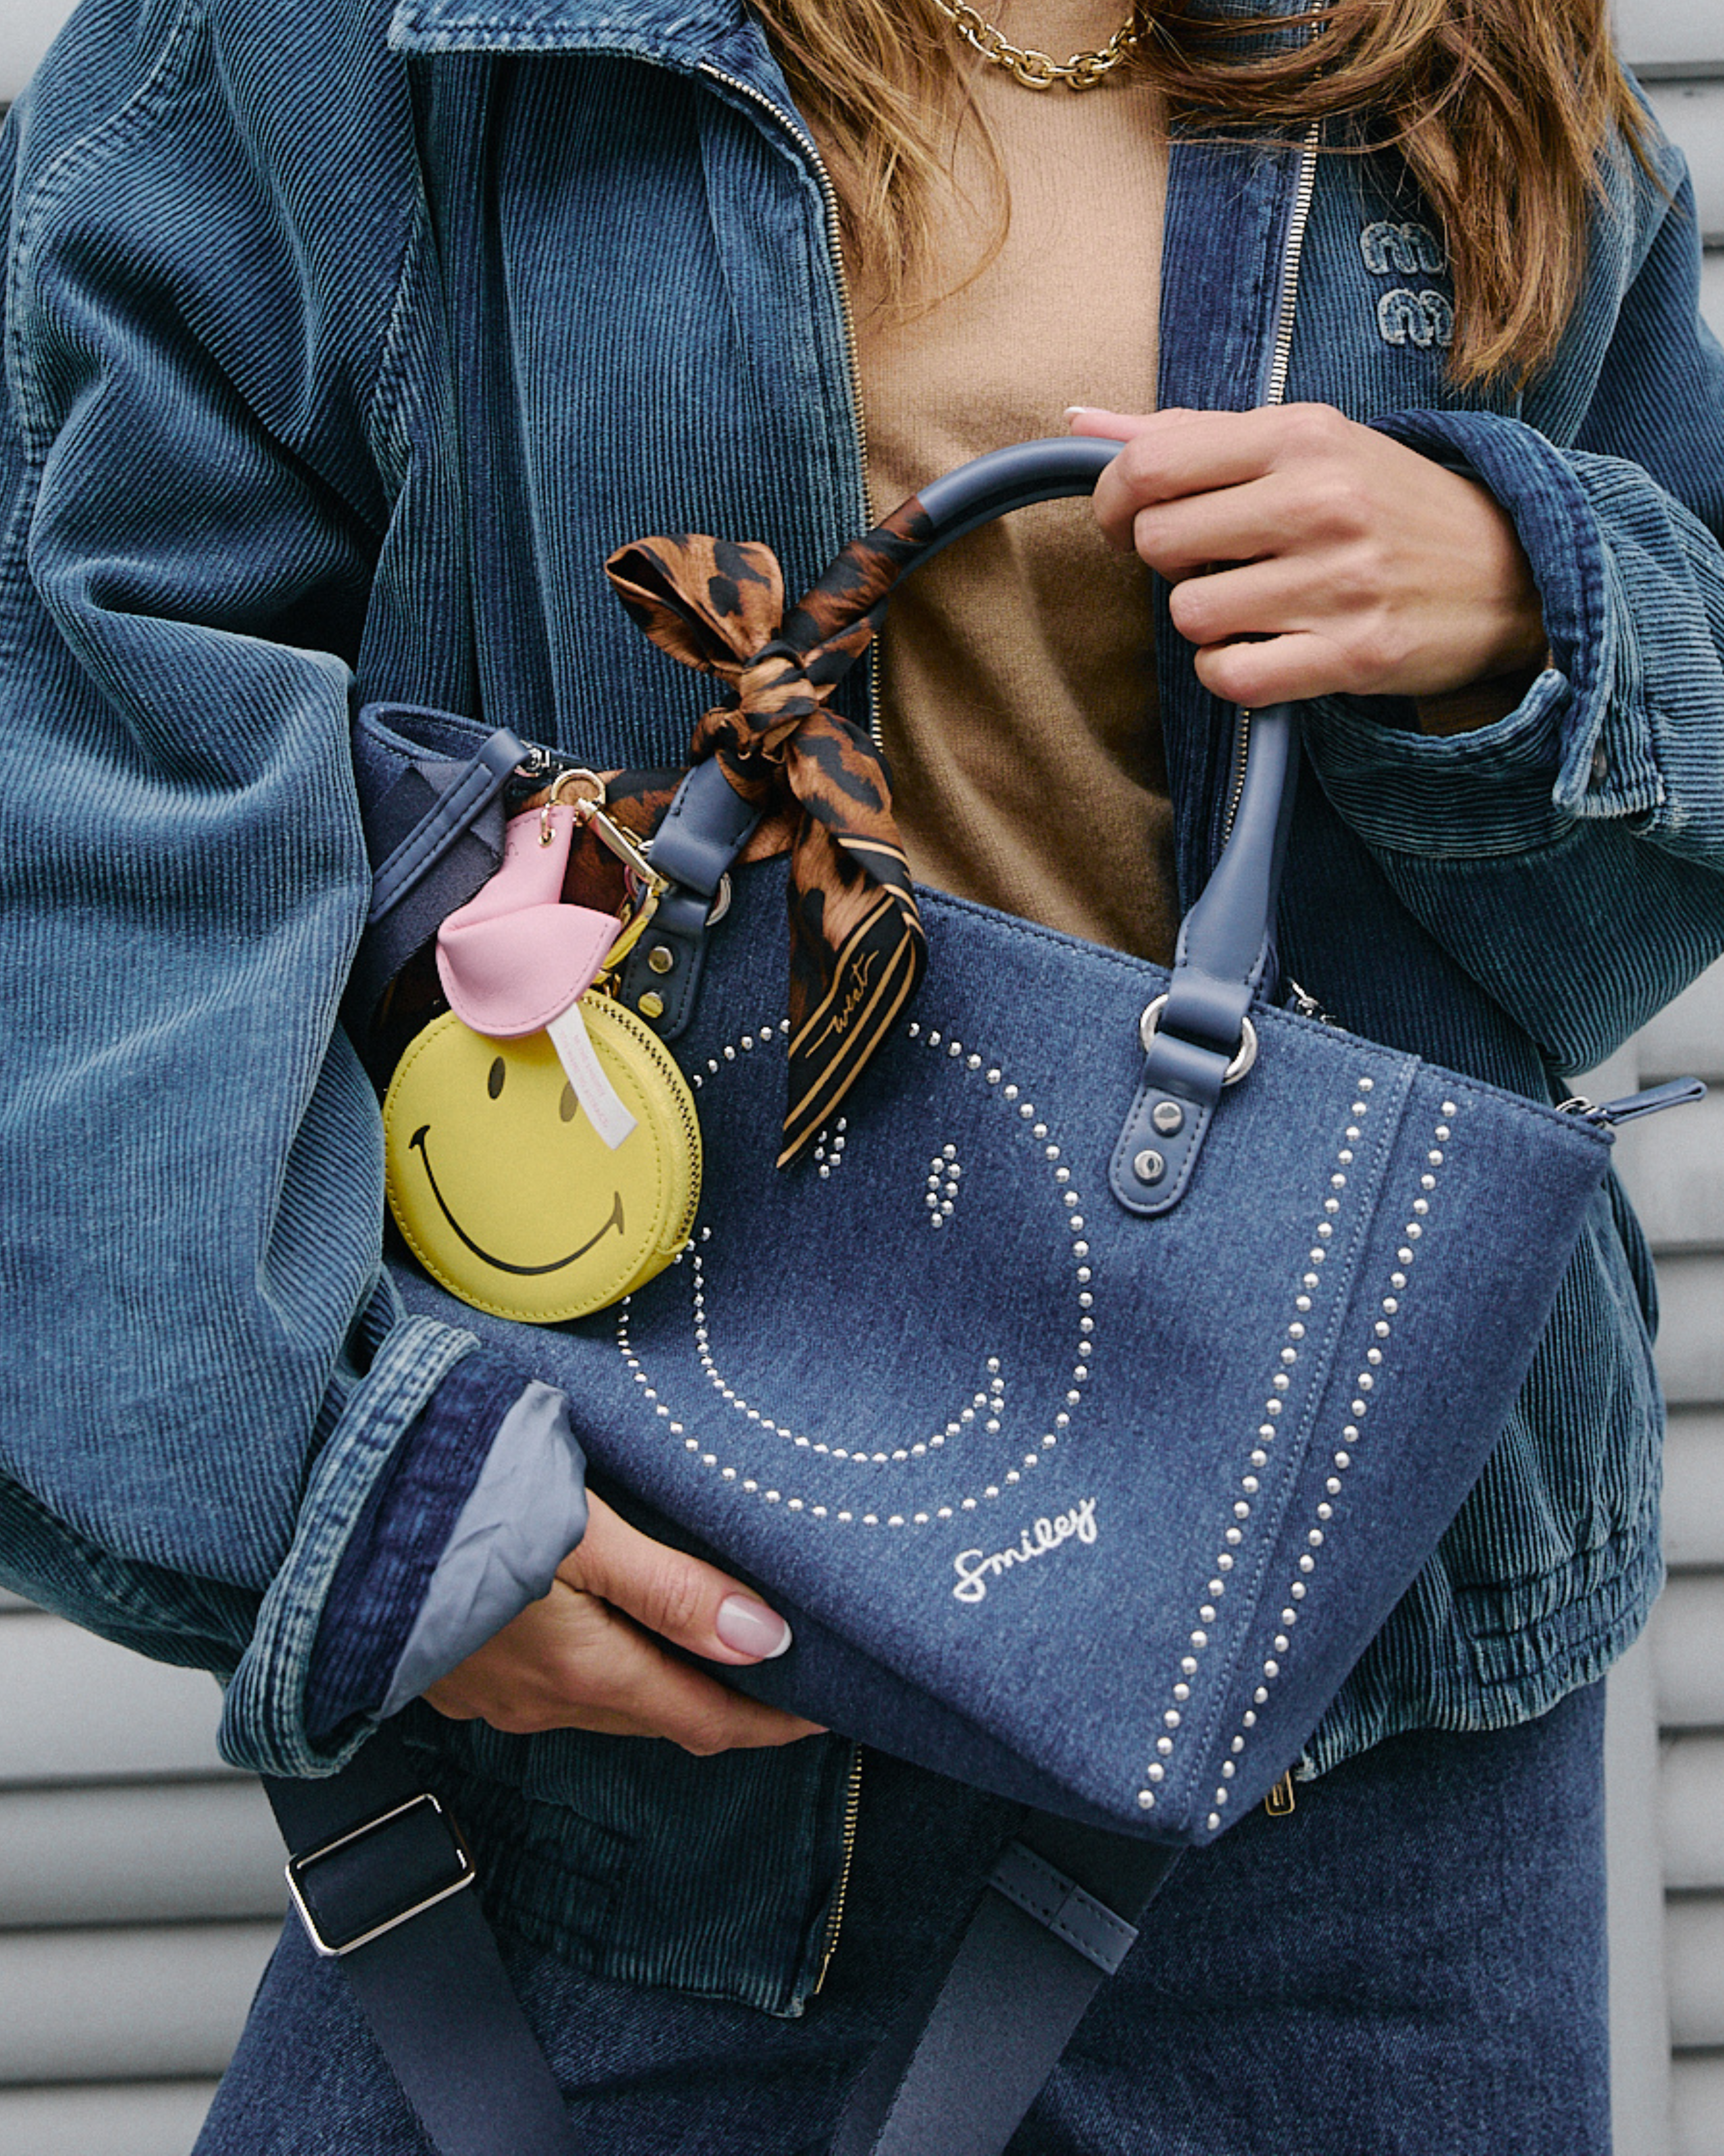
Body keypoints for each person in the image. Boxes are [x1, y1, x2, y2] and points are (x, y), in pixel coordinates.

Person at [2, 0, 1722, 2146]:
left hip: (1338, 1790)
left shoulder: (1450, 41)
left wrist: (1531, 604)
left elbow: (1614, 908)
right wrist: (338, 1509)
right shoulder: (327, 44)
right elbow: (83, 773)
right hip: (619, 1770)